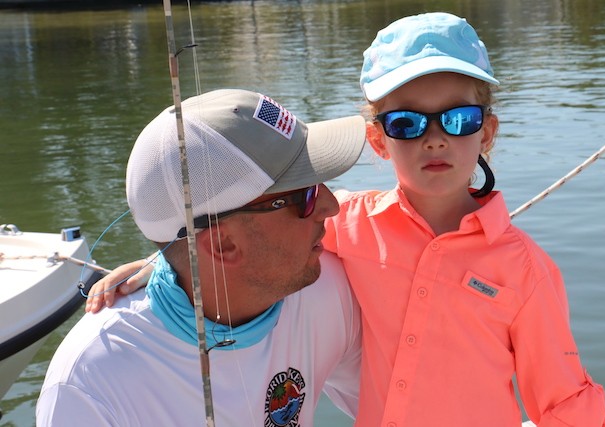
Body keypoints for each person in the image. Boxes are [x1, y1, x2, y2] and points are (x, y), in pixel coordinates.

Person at [84, 12, 605, 427]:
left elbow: (563, 400)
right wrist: (163, 263)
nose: (435, 139)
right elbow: (244, 234)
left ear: (486, 132)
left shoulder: (526, 270)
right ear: (378, 140)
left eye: (458, 118)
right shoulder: (349, 222)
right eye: (407, 123)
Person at [36, 89, 366, 426]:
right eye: (305, 195)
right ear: (223, 245)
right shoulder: (88, 384)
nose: (331, 206)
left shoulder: (329, 287)